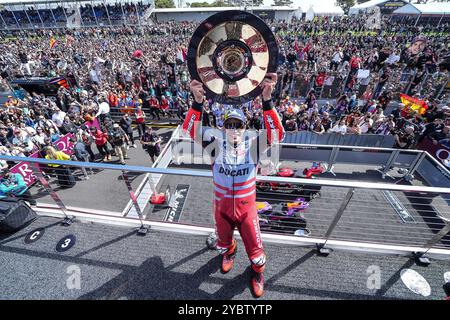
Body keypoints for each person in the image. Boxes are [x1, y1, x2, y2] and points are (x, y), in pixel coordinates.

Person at [182, 73, 284, 298]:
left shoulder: (253, 147)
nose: (234, 128)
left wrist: (267, 101)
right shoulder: (215, 147)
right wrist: (197, 102)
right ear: (223, 127)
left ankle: (257, 274)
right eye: (229, 124)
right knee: (222, 245)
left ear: (245, 126)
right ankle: (230, 251)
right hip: (222, 210)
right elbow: (190, 130)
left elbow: (277, 133)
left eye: (238, 124)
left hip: (247, 211)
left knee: (257, 257)